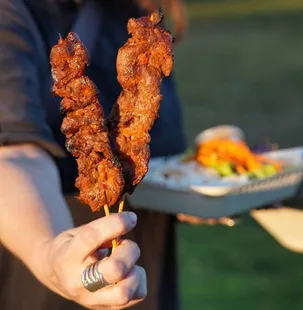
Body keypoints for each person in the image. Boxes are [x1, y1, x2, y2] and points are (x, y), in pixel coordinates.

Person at [0, 0, 190, 309]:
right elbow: (13, 154)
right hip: (53, 287)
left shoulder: (141, 19)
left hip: (149, 281)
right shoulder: (12, 12)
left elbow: (162, 159)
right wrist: (48, 254)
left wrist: (207, 187)